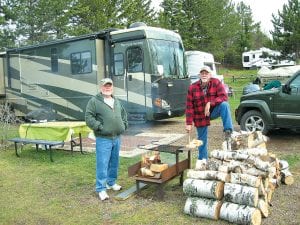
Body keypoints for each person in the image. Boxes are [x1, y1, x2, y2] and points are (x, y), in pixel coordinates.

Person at [85, 78, 128, 201]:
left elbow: (124, 114)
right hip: (103, 138)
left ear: (112, 87)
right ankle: (101, 189)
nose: (107, 88)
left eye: (109, 86)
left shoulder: (116, 101)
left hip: (117, 137)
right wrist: (99, 127)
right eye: (105, 86)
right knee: (102, 164)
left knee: (114, 162)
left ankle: (111, 182)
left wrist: (124, 125)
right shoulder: (94, 101)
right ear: (101, 88)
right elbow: (88, 117)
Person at [185, 66, 233, 164]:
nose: (204, 75)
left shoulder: (216, 82)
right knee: (201, 140)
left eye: (206, 73)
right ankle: (203, 161)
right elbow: (189, 107)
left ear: (210, 75)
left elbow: (224, 96)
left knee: (224, 105)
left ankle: (228, 131)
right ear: (199, 75)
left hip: (212, 111)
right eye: (202, 73)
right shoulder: (192, 87)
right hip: (200, 116)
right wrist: (189, 123)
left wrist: (210, 103)